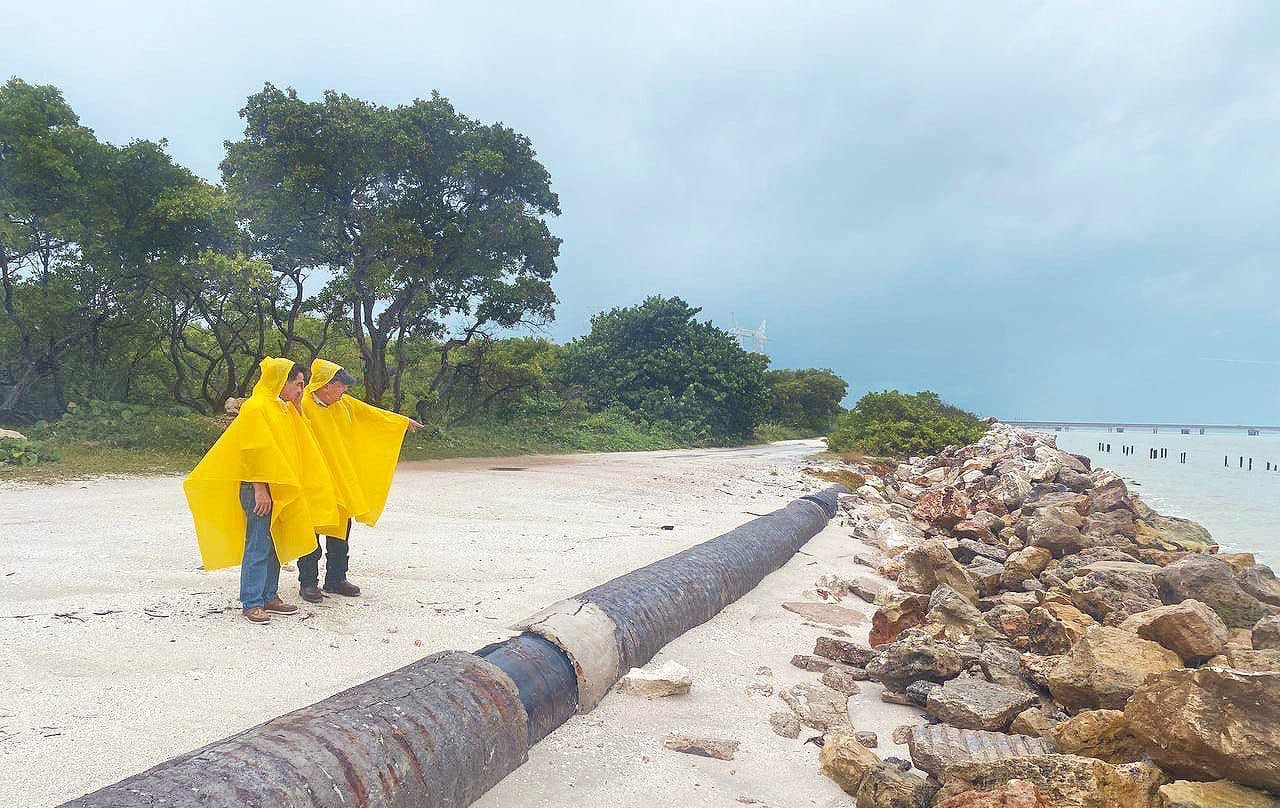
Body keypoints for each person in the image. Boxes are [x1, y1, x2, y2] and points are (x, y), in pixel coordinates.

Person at [183, 358, 338, 625]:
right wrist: (260, 489)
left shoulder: (283, 408)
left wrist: (298, 406)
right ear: (282, 381)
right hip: (259, 488)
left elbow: (303, 440)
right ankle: (252, 601)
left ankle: (269, 595)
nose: (301, 390)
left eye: (303, 384)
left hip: (278, 487)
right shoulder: (256, 407)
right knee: (258, 543)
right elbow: (251, 451)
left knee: (275, 543)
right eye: (298, 384)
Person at [296, 359, 422, 602]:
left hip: (340, 478)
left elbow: (372, 414)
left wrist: (401, 422)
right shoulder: (302, 404)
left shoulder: (344, 404)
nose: (344, 391)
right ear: (325, 385)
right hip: (313, 480)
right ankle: (308, 583)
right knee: (311, 532)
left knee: (341, 530)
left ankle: (336, 579)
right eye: (341, 386)